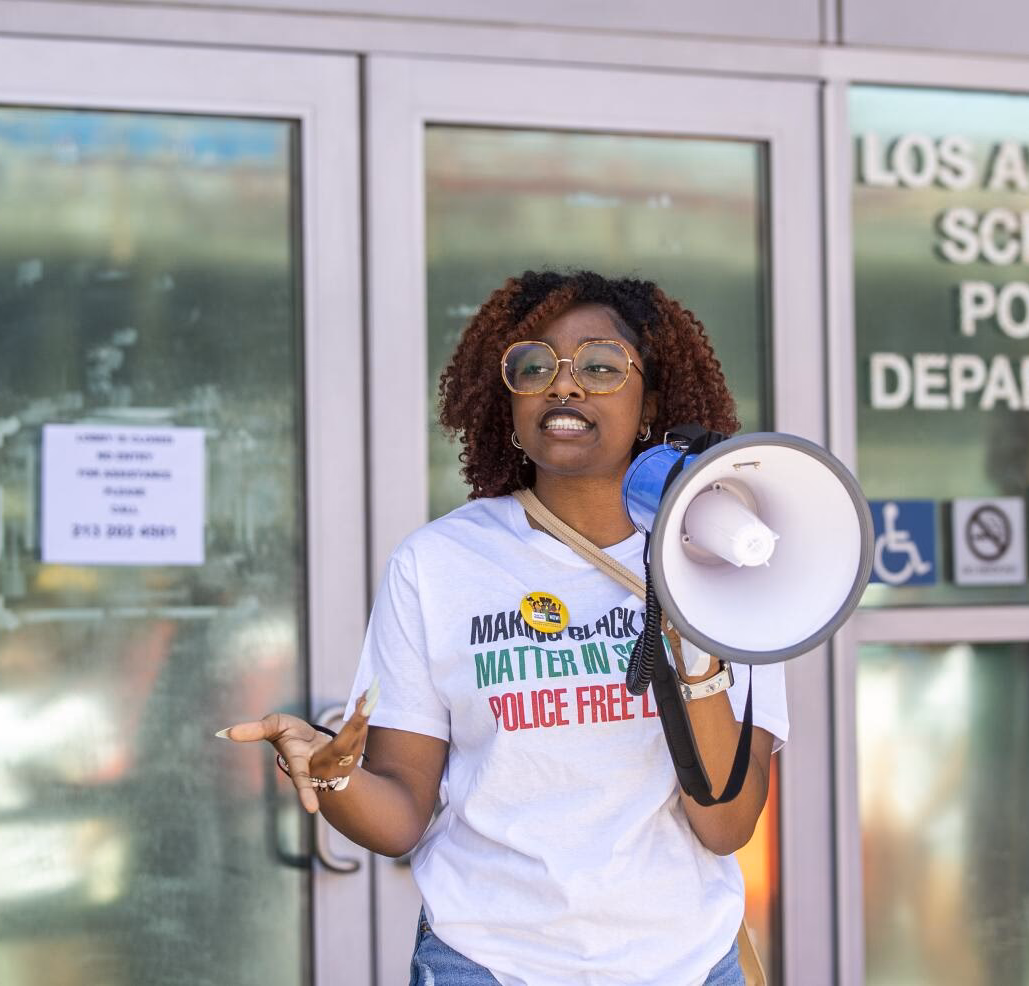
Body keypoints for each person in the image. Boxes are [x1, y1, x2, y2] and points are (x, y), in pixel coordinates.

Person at [218, 270, 787, 985]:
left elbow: (726, 826)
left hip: (686, 964)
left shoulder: (728, 565)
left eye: (603, 366)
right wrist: (333, 776)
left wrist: (697, 653)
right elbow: (397, 816)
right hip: (486, 964)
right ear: (507, 403)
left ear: (652, 403)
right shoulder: (439, 564)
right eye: (534, 366)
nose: (565, 385)